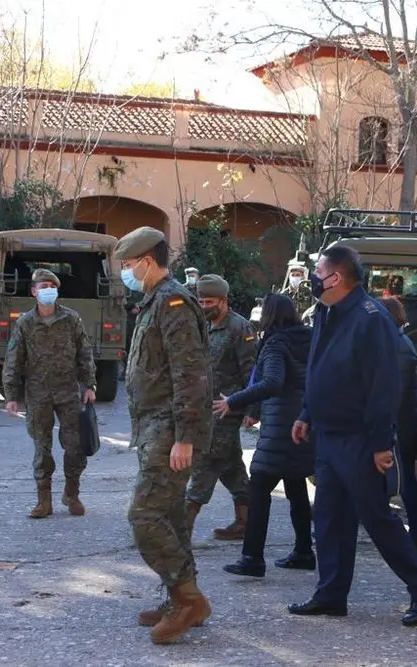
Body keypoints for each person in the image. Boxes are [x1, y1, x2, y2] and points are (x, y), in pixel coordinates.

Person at [287, 244, 417, 628]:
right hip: (328, 434)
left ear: (335, 277)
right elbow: (319, 367)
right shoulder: (328, 311)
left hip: (359, 439)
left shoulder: (370, 317)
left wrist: (378, 444)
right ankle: (331, 594)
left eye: (318, 270)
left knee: (375, 517)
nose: (313, 278)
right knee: (328, 518)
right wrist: (307, 412)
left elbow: (383, 386)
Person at [115, 227, 212, 644]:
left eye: (127, 264)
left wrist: (184, 437)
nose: (125, 272)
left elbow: (188, 373)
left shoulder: (172, 302)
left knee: (144, 515)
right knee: (169, 516)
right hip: (155, 426)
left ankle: (188, 598)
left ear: (147, 262)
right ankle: (181, 598)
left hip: (171, 428)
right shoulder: (154, 301)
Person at [216, 294, 315, 578]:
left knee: (258, 489)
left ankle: (252, 558)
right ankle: (304, 551)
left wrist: (233, 401)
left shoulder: (274, 343)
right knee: (296, 487)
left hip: (280, 427)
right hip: (304, 422)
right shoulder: (309, 338)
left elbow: (271, 382)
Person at [2, 268, 97, 519]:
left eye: (51, 286)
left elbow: (84, 353)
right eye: (43, 286)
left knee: (75, 446)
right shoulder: (25, 323)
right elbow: (13, 359)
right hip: (38, 394)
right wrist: (11, 395)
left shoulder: (71, 319)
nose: (48, 291)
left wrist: (89, 385)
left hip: (69, 393)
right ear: (33, 292)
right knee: (42, 449)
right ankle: (43, 501)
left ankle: (72, 493)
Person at [186, 274, 257, 540]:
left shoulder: (240, 329)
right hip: (203, 409)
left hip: (227, 409)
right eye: (201, 301)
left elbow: (252, 373)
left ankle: (183, 528)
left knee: (206, 462)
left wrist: (252, 409)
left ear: (224, 300)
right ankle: (246, 522)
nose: (204, 306)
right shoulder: (201, 325)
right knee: (231, 467)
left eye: (210, 301)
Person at [376, 295, 417, 551]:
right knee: (403, 477)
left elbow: (392, 392)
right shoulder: (397, 341)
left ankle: (413, 533)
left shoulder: (397, 345)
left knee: (403, 478)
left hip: (399, 424)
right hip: (402, 421)